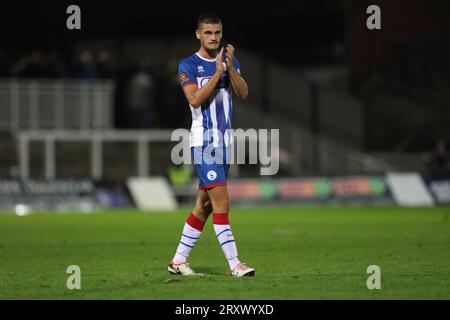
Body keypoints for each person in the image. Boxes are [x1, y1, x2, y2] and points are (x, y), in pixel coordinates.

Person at [168, 13, 254, 277]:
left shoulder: (229, 61)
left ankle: (178, 261)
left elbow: (243, 93)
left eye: (217, 32)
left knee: (203, 206)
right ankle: (235, 264)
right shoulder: (189, 65)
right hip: (203, 143)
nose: (214, 37)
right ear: (198, 34)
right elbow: (194, 100)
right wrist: (217, 74)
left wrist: (228, 68)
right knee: (222, 202)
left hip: (224, 144)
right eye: (208, 33)